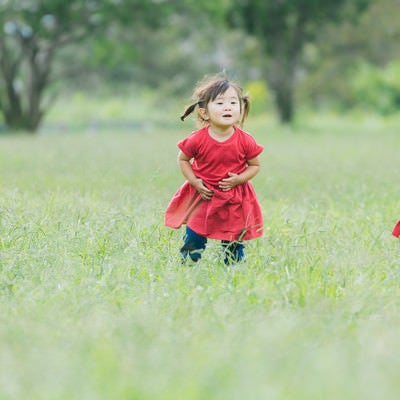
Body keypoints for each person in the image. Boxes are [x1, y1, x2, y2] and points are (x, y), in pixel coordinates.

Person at [164, 76, 264, 265]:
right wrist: (195, 181)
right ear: (204, 113)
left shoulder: (245, 140)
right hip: (204, 196)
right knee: (195, 235)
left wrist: (239, 179)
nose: (228, 107)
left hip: (233, 198)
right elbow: (183, 160)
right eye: (220, 103)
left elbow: (255, 165)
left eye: (233, 102)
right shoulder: (197, 139)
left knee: (234, 240)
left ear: (241, 109)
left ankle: (233, 269)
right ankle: (187, 265)